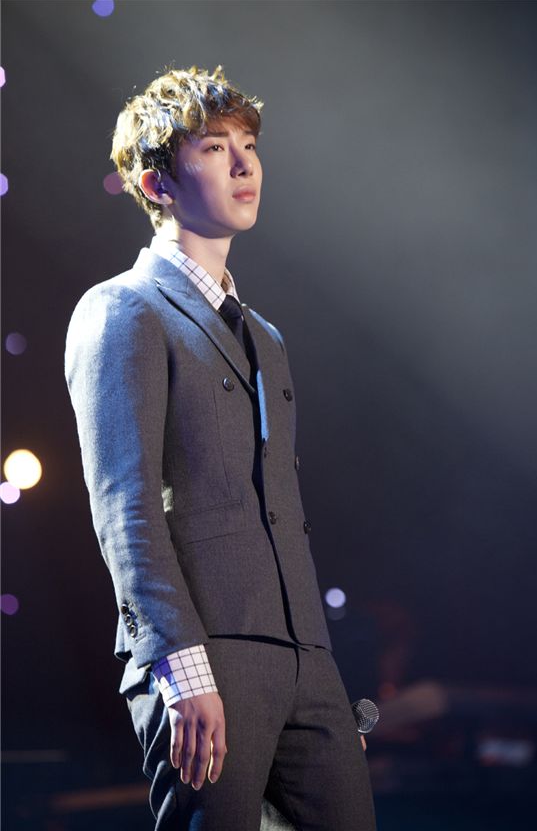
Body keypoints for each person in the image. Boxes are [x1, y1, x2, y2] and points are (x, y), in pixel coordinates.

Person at [65, 65, 376, 831]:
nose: (243, 164)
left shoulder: (264, 336)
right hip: (204, 654)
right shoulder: (122, 310)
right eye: (213, 147)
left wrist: (315, 658)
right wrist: (180, 665)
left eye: (247, 144)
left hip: (304, 654)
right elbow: (124, 508)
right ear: (157, 183)